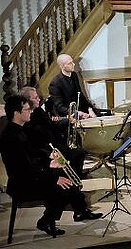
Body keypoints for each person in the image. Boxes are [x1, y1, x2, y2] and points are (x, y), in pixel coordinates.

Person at [0, 95, 102, 237]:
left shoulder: (18, 129)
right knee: (64, 185)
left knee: (67, 178)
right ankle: (46, 220)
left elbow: (31, 150)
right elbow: (24, 169)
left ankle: (77, 211)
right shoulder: (11, 137)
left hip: (30, 175)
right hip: (22, 183)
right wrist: (53, 177)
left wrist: (50, 157)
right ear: (17, 113)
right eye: (27, 109)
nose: (30, 111)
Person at [20, 86, 86, 178]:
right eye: (35, 98)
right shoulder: (25, 118)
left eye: (38, 97)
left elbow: (51, 124)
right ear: (27, 100)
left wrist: (68, 120)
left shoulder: (38, 110)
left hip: (52, 144)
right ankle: (70, 179)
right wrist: (49, 153)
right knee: (75, 155)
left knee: (79, 152)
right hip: (44, 150)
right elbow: (33, 142)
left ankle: (75, 177)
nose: (39, 99)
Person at [47, 53, 103, 120]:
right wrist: (78, 113)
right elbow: (60, 107)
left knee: (103, 114)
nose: (73, 64)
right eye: (69, 63)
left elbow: (80, 95)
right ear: (62, 66)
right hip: (68, 115)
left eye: (72, 62)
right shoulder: (55, 83)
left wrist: (90, 109)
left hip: (80, 110)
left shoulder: (74, 75)